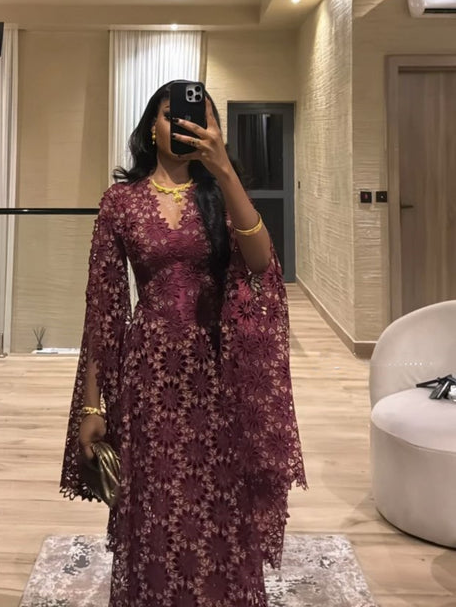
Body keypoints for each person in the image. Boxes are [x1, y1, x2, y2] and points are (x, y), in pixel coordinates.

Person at [60, 81, 306, 607]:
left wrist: (224, 170)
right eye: (171, 114)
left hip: (219, 372)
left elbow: (261, 264)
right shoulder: (121, 202)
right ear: (152, 126)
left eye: (198, 117)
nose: (183, 124)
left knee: (220, 499)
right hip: (149, 376)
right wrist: (92, 404)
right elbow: (103, 311)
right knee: (155, 499)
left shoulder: (220, 194)